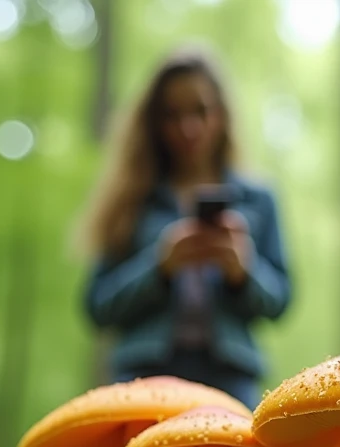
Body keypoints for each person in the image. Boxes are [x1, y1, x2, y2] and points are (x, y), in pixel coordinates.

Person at [77, 47, 291, 410]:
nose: (188, 127)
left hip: (231, 376)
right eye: (172, 115)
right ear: (154, 123)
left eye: (201, 111)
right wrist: (160, 267)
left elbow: (281, 300)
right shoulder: (131, 199)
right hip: (142, 376)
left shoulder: (259, 199)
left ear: (222, 115)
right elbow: (97, 306)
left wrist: (242, 272)